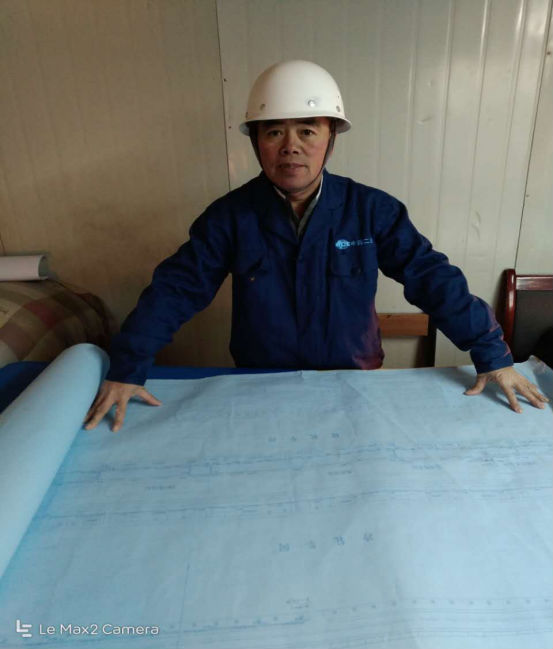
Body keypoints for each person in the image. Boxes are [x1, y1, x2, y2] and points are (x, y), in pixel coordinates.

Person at [85, 60, 548, 432]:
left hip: (354, 381)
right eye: (274, 132)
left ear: (330, 139)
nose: (291, 146)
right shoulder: (230, 217)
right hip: (260, 385)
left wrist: (492, 354)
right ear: (257, 143)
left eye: (307, 130)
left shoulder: (372, 210)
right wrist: (127, 367)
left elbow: (431, 278)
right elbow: (177, 289)